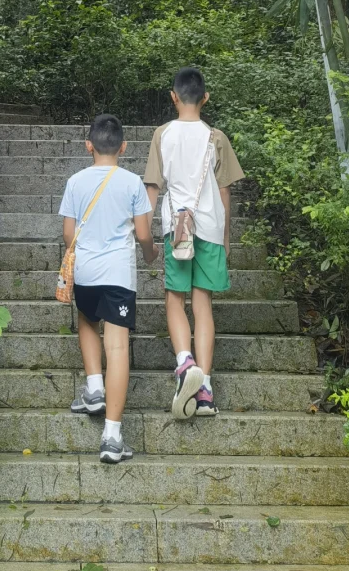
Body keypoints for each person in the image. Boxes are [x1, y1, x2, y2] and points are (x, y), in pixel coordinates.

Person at [143, 67, 245, 419]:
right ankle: (205, 392)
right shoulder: (217, 137)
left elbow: (153, 188)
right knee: (203, 304)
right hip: (211, 229)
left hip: (178, 229)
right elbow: (225, 192)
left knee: (175, 298)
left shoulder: (162, 134)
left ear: (173, 97)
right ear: (205, 98)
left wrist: (145, 234)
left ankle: (185, 364)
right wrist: (226, 236)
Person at [58, 113, 157, 464]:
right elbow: (144, 234)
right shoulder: (132, 183)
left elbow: (69, 234)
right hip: (117, 275)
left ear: (88, 146)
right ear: (124, 147)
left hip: (85, 272)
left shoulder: (75, 181)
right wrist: (150, 253)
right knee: (117, 347)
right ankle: (112, 436)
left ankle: (95, 388)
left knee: (87, 320)